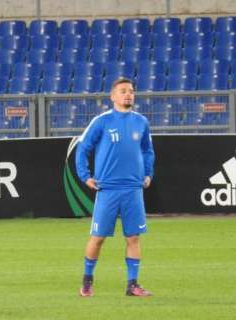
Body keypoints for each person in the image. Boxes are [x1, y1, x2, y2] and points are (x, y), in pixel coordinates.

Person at [75, 77, 155, 297]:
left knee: (133, 238)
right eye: (122, 91)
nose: (128, 94)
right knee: (98, 238)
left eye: (130, 91)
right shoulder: (102, 121)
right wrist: (85, 176)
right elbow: (82, 149)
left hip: (133, 189)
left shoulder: (141, 122)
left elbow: (148, 150)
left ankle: (133, 285)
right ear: (113, 96)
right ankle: (87, 280)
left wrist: (148, 173)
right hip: (108, 189)